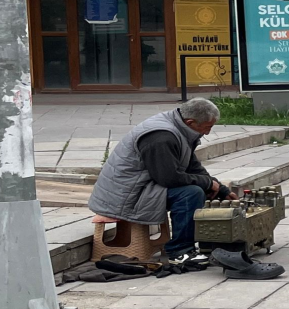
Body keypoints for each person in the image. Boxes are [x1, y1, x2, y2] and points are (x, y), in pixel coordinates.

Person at [88, 98, 238, 266]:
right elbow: (169, 178)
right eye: (208, 127)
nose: (208, 133)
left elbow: (192, 166)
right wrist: (206, 183)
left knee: (201, 187)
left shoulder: (180, 128)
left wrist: (220, 189)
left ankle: (201, 243)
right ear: (191, 122)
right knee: (191, 193)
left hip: (140, 187)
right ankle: (180, 252)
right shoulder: (161, 136)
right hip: (125, 196)